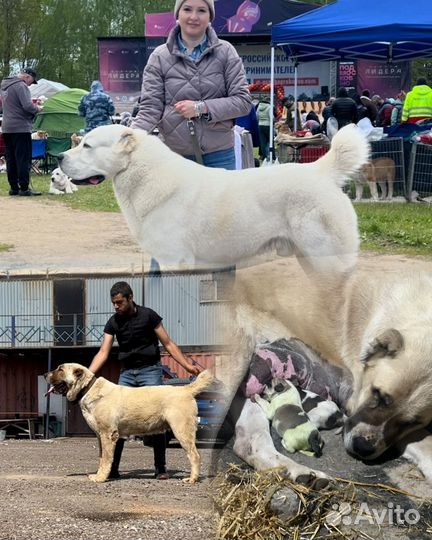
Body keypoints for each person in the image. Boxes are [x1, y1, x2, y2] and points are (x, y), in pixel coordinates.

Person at [88, 281, 201, 480]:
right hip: (127, 374)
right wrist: (88, 376)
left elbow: (168, 343)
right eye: (113, 303)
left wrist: (187, 365)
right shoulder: (113, 322)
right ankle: (112, 469)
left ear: (130, 298)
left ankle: (160, 468)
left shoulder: (149, 315)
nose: (116, 306)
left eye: (120, 302)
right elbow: (103, 352)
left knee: (157, 420)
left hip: (150, 371)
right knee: (115, 421)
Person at [131, 0, 252, 170]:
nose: (194, 17)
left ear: (210, 16)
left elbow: (243, 102)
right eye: (187, 9)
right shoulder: (159, 57)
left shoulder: (226, 52)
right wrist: (128, 138)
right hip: (174, 157)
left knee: (219, 198)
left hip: (219, 155)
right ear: (177, 14)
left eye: (202, 10)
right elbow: (150, 109)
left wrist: (201, 108)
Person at [0, 68, 42, 196]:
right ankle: (24, 188)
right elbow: (27, 106)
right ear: (27, 77)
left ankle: (14, 188)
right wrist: (38, 108)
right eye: (31, 82)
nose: (30, 85)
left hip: (7, 127)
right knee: (23, 158)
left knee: (11, 158)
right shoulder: (21, 86)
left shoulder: (4, 86)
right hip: (21, 127)